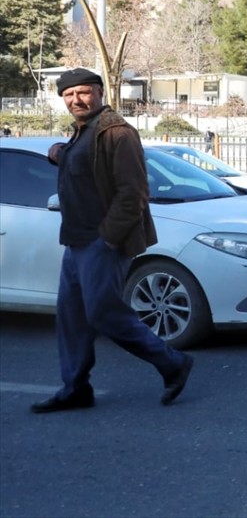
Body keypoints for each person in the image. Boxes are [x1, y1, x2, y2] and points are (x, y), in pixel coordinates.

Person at [33, 68, 194, 414]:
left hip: (101, 242)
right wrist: (59, 153)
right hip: (75, 242)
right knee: (72, 319)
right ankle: (75, 388)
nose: (76, 100)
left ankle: (173, 363)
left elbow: (133, 193)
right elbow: (86, 168)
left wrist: (108, 239)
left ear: (99, 92)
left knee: (104, 314)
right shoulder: (82, 132)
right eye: (68, 94)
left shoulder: (117, 132)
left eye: (83, 92)